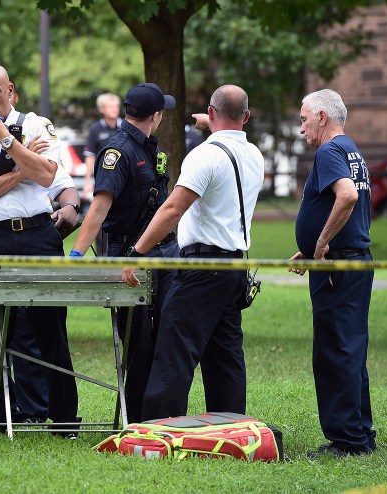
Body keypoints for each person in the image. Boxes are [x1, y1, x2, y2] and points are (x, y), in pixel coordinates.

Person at [122, 84, 264, 421]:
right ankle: (229, 426)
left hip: (201, 267)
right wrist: (210, 122)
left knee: (173, 350)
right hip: (234, 268)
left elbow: (173, 208)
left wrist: (138, 251)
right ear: (246, 117)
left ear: (212, 114)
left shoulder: (205, 155)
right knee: (225, 355)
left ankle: (158, 428)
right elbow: (228, 126)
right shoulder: (254, 154)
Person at [0, 64, 79, 434]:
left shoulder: (38, 125)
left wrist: (8, 141)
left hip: (38, 233)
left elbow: (48, 176)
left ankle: (65, 419)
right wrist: (23, 168)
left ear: (11, 91)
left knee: (51, 328)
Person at [70, 83, 179, 423]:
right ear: (156, 116)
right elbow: (99, 209)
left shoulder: (147, 145)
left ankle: (164, 418)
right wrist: (76, 255)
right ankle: (138, 422)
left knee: (166, 340)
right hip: (128, 258)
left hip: (164, 254)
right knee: (138, 346)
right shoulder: (118, 152)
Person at [289, 89, 375, 458]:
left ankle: (346, 442)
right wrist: (310, 246)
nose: (301, 127)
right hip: (351, 259)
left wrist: (321, 244)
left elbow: (347, 197)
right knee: (349, 348)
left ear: (323, 116)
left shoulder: (328, 151)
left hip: (337, 266)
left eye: (304, 118)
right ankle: (360, 434)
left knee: (334, 351)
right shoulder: (350, 149)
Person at [83, 93, 122, 254]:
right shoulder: (95, 129)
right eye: (111, 106)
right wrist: (87, 182)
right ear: (102, 109)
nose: (115, 109)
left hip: (122, 182)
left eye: (117, 106)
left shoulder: (124, 126)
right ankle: (101, 257)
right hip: (102, 182)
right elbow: (90, 156)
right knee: (99, 220)